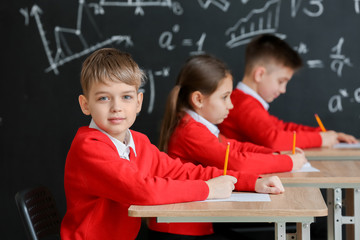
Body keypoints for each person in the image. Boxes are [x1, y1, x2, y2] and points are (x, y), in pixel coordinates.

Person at [60, 48, 285, 240]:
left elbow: (181, 171)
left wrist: (251, 182)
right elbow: (142, 190)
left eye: (126, 97)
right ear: (85, 104)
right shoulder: (89, 147)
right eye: (103, 98)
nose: (116, 107)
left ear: (138, 102)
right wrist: (208, 190)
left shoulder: (137, 142)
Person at [147, 54, 304, 239]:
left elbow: (235, 147)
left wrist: (276, 154)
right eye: (224, 97)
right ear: (198, 99)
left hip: (193, 223)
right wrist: (288, 162)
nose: (230, 105)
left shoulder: (197, 126)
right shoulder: (190, 131)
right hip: (179, 230)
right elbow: (237, 162)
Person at [218, 34, 357, 151]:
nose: (283, 89)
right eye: (280, 81)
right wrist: (320, 139)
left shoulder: (245, 101)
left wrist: (325, 134)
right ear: (259, 74)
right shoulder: (245, 105)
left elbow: (281, 128)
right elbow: (273, 140)